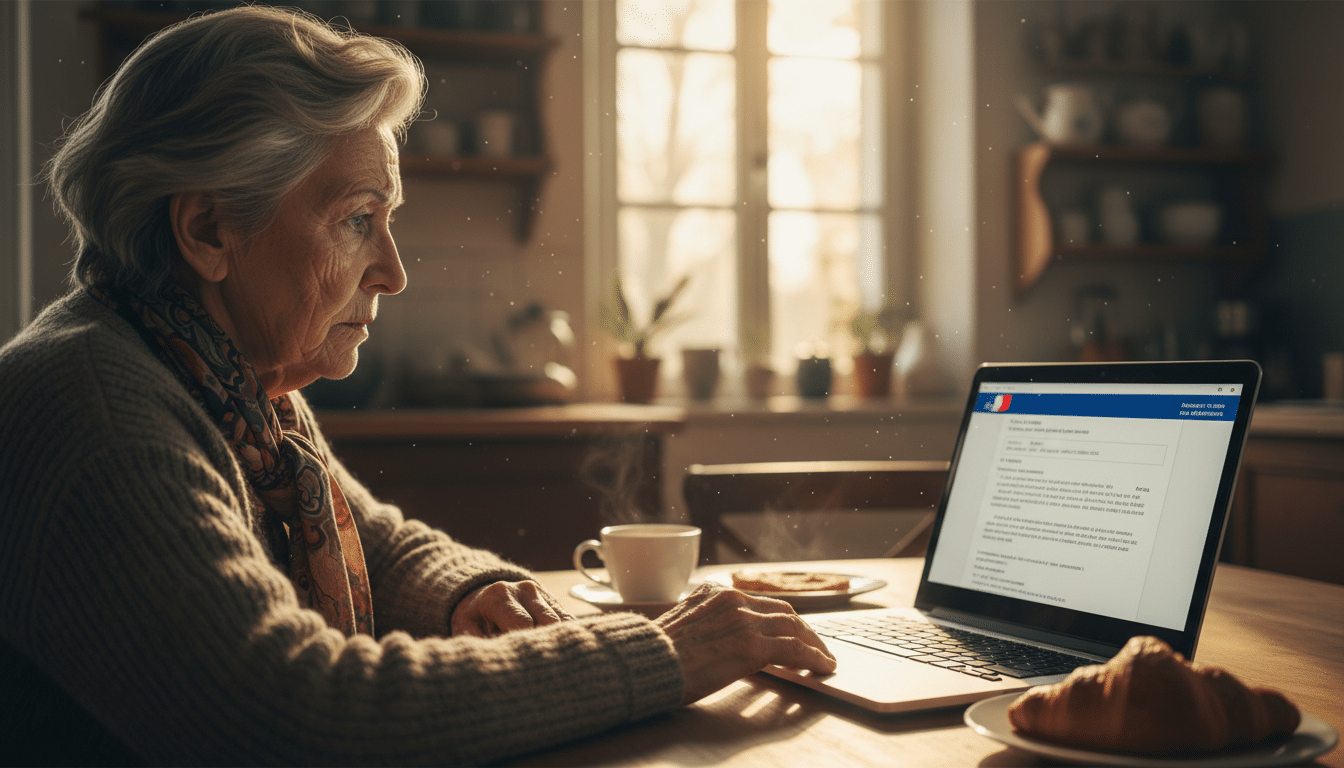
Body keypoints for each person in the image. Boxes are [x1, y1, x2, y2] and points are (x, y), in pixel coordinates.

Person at [0, 6, 835, 766]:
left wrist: (471, 590)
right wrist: (657, 655)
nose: (393, 272)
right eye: (359, 220)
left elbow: (378, 540)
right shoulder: (94, 412)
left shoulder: (230, 385)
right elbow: (296, 709)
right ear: (208, 228)